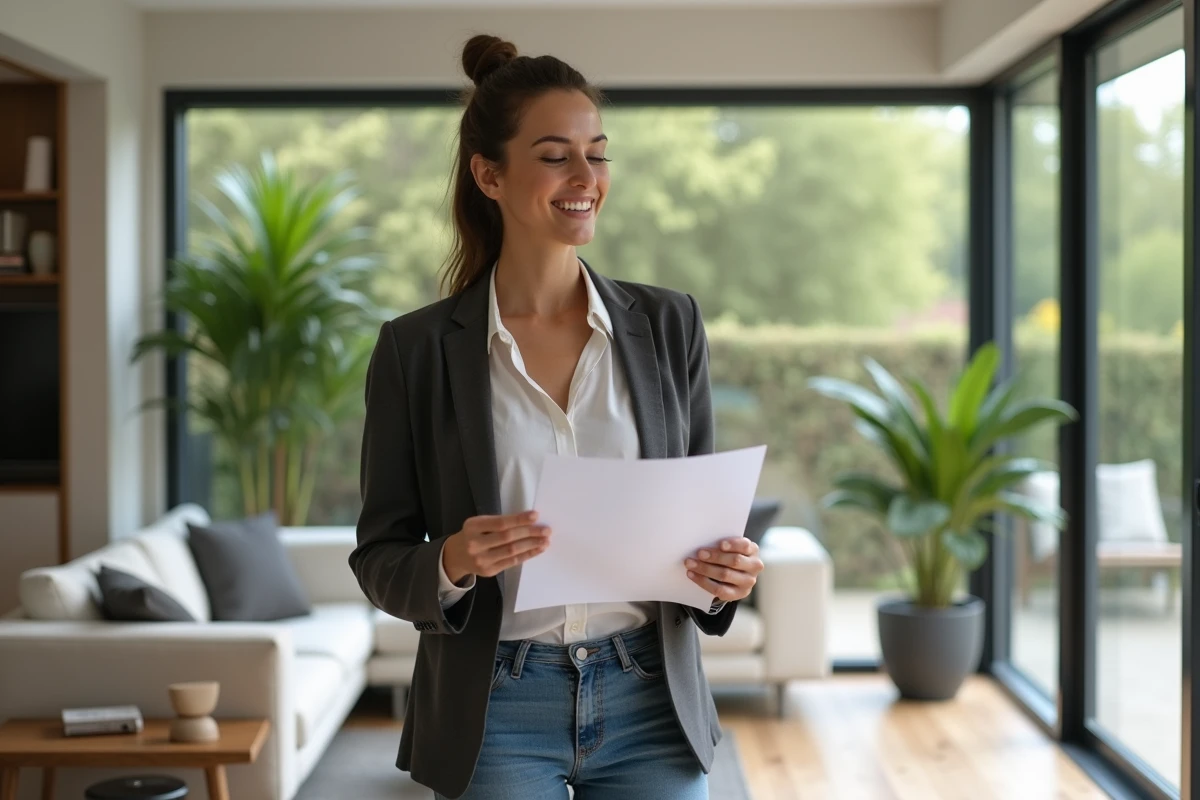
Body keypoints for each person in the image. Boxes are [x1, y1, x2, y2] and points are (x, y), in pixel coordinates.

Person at [349, 33, 764, 800]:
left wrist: (725, 574)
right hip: (495, 703)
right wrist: (453, 561)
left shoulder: (670, 325)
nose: (586, 178)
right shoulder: (416, 350)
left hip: (651, 695)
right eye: (555, 155)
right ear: (489, 174)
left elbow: (706, 527)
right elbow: (378, 556)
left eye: (597, 153)